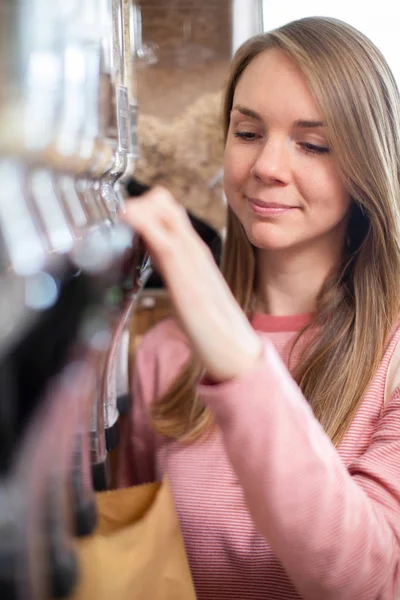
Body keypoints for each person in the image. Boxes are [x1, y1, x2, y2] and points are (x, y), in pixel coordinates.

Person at [118, 16, 400, 600]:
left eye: (312, 143)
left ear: (366, 167)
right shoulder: (166, 352)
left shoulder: (393, 353)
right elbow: (133, 565)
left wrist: (241, 361)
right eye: (248, 133)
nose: (267, 167)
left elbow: (370, 582)